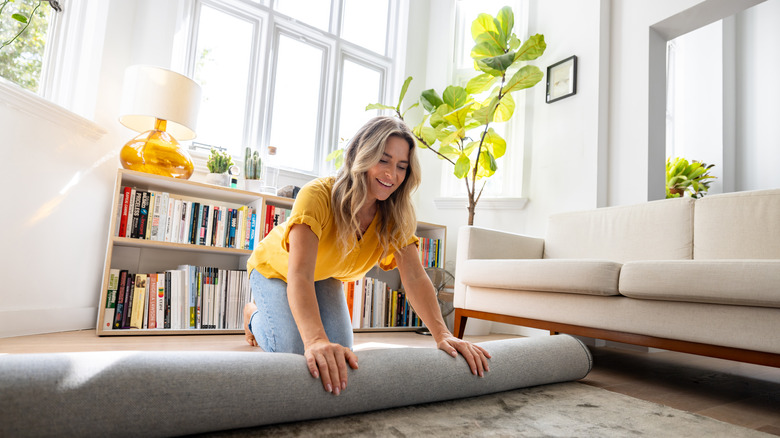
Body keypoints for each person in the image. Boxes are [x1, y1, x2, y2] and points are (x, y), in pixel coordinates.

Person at [243, 116, 491, 396]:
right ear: (361, 155)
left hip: (325, 275)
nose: (392, 174)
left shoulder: (396, 214)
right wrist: (314, 339)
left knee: (341, 352)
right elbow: (299, 274)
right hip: (276, 269)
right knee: (293, 350)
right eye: (383, 160)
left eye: (401, 166)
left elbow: (414, 276)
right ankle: (253, 315)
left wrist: (443, 334)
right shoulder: (317, 195)